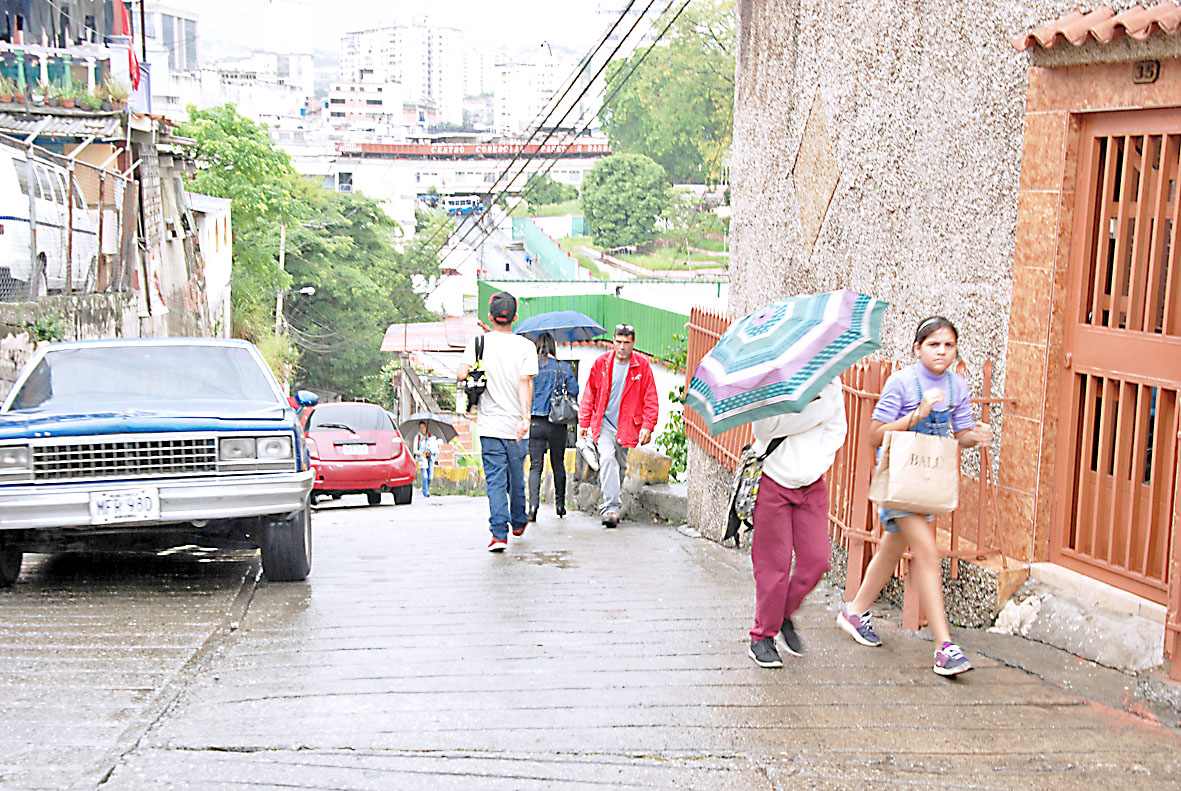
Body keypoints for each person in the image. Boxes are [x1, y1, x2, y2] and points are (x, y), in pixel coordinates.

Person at [836, 316, 992, 676]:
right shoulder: (902, 383)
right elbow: (875, 435)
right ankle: (944, 647)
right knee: (927, 551)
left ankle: (854, 611)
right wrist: (916, 415)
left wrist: (977, 436)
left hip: (929, 481)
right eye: (934, 344)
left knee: (892, 548)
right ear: (917, 348)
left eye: (949, 345)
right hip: (899, 480)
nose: (942, 351)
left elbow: (962, 433)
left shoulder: (957, 387)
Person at [747, 379, 847, 669]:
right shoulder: (771, 380)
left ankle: (782, 613)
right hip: (772, 480)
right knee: (773, 566)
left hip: (811, 483)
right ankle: (762, 636)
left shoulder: (832, 381)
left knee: (817, 560)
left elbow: (837, 427)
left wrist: (816, 465)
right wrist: (811, 412)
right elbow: (763, 429)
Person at [457, 291, 538, 552]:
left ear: (490, 316)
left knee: (495, 480)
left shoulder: (479, 343)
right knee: (517, 477)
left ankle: (498, 535)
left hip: (490, 427)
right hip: (517, 427)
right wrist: (525, 418)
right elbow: (526, 382)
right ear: (515, 317)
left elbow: (461, 373)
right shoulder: (526, 346)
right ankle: (518, 521)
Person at [577, 323, 659, 529]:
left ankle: (614, 500)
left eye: (626, 343)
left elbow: (650, 397)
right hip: (603, 423)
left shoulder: (642, 367)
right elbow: (590, 393)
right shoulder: (602, 364)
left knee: (620, 466)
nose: (621, 347)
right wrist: (584, 422)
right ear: (613, 341)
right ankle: (611, 509)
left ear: (633, 343)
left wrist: (648, 426)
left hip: (628, 426)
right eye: (618, 342)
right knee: (607, 459)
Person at [528, 332, 579, 522]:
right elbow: (574, 391)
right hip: (557, 422)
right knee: (558, 464)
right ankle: (560, 505)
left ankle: (533, 507)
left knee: (535, 466)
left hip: (535, 422)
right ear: (552, 347)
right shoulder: (563, 367)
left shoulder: (530, 367)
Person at [413, 422, 440, 498]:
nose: (422, 429)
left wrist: (430, 452)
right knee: (424, 476)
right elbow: (415, 450)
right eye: (421, 427)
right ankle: (425, 492)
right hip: (422, 459)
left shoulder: (431, 437)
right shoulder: (417, 438)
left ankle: (425, 488)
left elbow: (435, 448)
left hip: (431, 458)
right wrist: (422, 452)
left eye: (423, 427)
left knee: (430, 477)